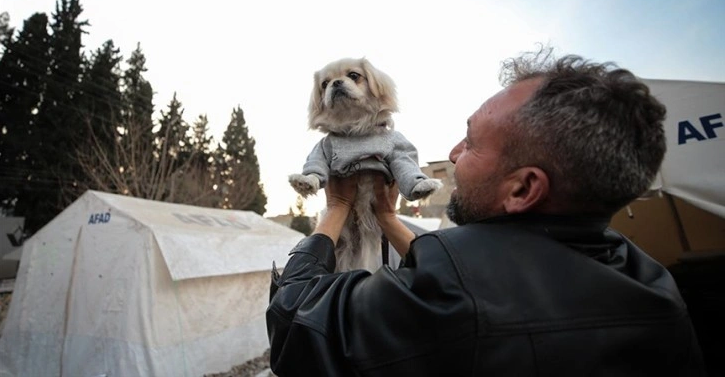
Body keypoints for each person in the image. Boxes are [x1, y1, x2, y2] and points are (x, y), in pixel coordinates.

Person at [266, 48, 705, 376]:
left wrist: (337, 208)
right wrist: (388, 219)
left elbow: (295, 326)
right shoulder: (656, 288)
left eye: (471, 142)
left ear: (524, 188)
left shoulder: (457, 290)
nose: (454, 155)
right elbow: (447, 264)